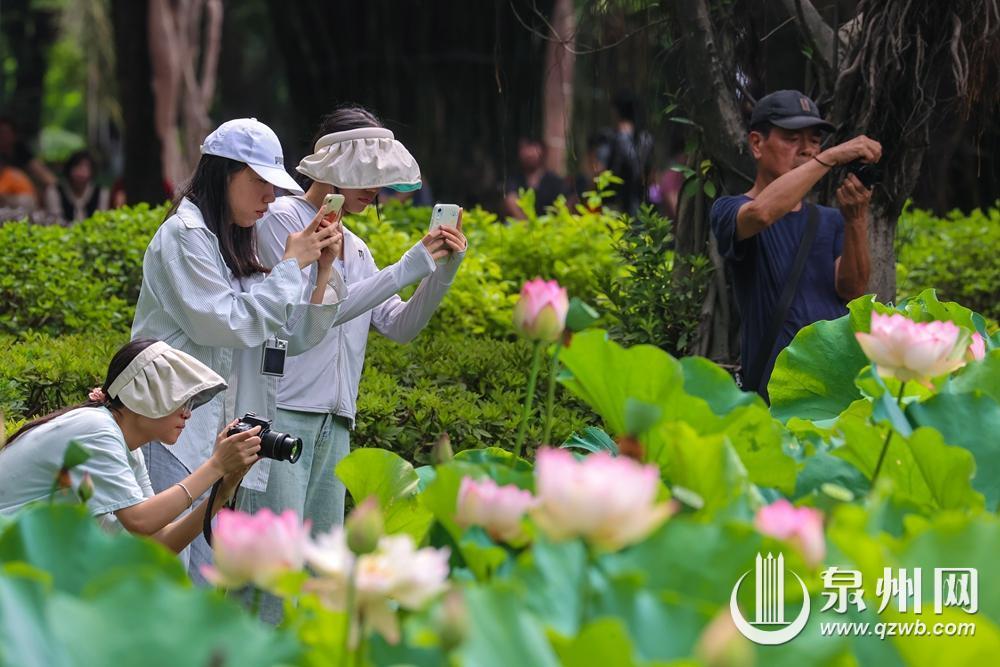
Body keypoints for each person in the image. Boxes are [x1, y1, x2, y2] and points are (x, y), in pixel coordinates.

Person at [243, 105, 467, 623]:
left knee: (323, 578)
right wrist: (409, 264)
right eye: (367, 172)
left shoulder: (359, 249)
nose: (376, 187)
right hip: (283, 412)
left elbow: (399, 326)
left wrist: (441, 272)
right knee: (272, 573)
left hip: (336, 422)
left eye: (382, 175)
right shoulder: (281, 222)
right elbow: (313, 315)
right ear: (334, 163)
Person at [131, 117, 347, 580]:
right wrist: (290, 265)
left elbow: (289, 338)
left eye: (274, 185)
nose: (270, 196)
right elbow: (225, 323)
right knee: (169, 574)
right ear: (223, 173)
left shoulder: (232, 242)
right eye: (259, 182)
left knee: (203, 577)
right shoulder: (185, 234)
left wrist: (321, 270)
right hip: (167, 429)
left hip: (211, 438)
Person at [0, 339, 261, 553]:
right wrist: (216, 465)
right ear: (141, 395)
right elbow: (140, 521)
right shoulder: (96, 429)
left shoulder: (127, 447)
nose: (188, 413)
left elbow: (156, 544)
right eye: (181, 401)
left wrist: (222, 490)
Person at [710, 89, 881, 399]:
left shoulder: (831, 220)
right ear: (757, 144)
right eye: (792, 138)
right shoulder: (730, 209)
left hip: (834, 392)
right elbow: (761, 214)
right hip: (774, 393)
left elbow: (853, 290)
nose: (807, 150)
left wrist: (856, 219)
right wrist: (829, 157)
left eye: (815, 141)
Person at [604, 90, 654, 217]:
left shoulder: (617, 137)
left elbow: (616, 167)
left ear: (617, 112)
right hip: (640, 198)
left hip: (619, 199)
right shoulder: (646, 137)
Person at [503, 136, 571, 218]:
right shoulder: (514, 179)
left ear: (542, 151)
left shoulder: (554, 181)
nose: (529, 153)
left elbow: (565, 204)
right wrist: (528, 223)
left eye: (533, 147)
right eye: (525, 148)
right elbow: (510, 200)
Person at [44, 149, 111, 223]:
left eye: (86, 168)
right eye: (78, 167)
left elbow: (102, 219)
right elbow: (55, 219)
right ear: (69, 169)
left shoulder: (101, 192)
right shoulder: (54, 191)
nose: (81, 173)